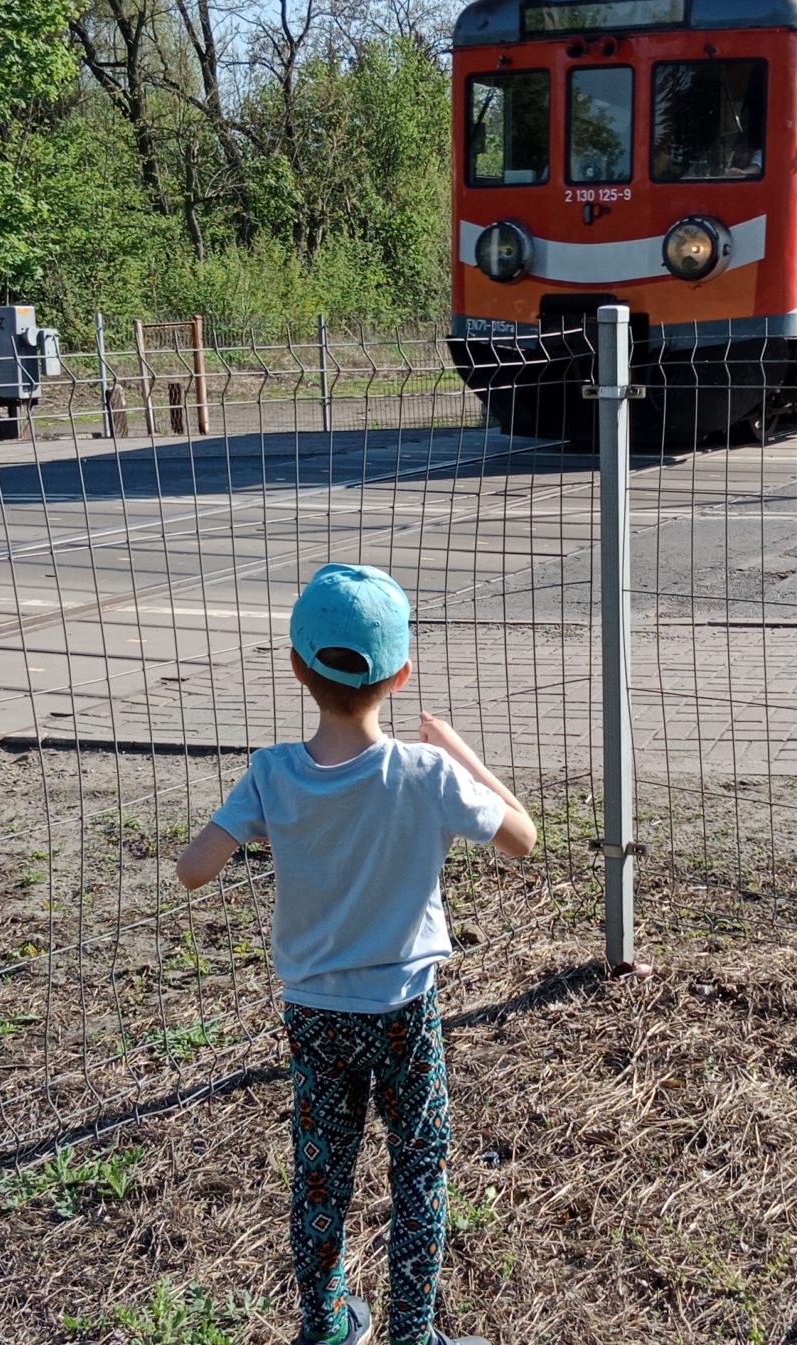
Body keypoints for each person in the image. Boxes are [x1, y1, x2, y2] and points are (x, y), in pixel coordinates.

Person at [176, 564, 534, 1345]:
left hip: (315, 1013)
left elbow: (193, 868)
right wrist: (463, 754)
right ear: (401, 674)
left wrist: (266, 822)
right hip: (406, 1011)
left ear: (296, 664)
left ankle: (328, 1326)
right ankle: (411, 1333)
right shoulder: (427, 772)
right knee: (418, 1169)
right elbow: (523, 836)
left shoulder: (272, 774)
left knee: (320, 1175)